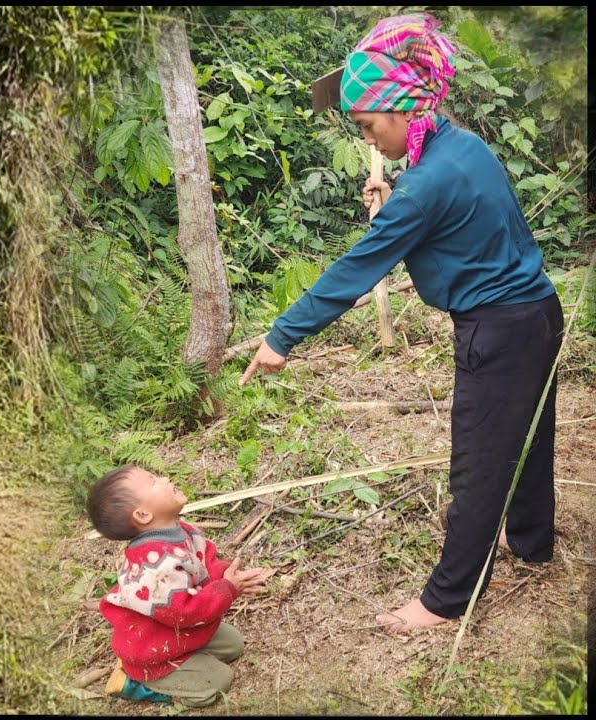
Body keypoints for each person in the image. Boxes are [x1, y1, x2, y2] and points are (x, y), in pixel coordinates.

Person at [240, 13, 562, 634]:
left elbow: (356, 269)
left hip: (496, 331)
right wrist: (397, 202)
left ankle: (447, 599)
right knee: (529, 435)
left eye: (367, 126)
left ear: (400, 108)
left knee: (478, 464)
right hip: (538, 313)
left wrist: (282, 337)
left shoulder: (423, 184)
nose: (368, 138)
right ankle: (531, 538)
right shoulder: (461, 147)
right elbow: (458, 228)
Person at [87, 466, 272, 707]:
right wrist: (228, 589)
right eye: (153, 481)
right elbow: (185, 613)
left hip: (174, 634)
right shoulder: (155, 569)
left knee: (234, 644)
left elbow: (203, 566)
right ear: (143, 515)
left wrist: (229, 577)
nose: (165, 478)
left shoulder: (179, 532)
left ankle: (186, 657)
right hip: (154, 652)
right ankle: (136, 684)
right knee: (218, 681)